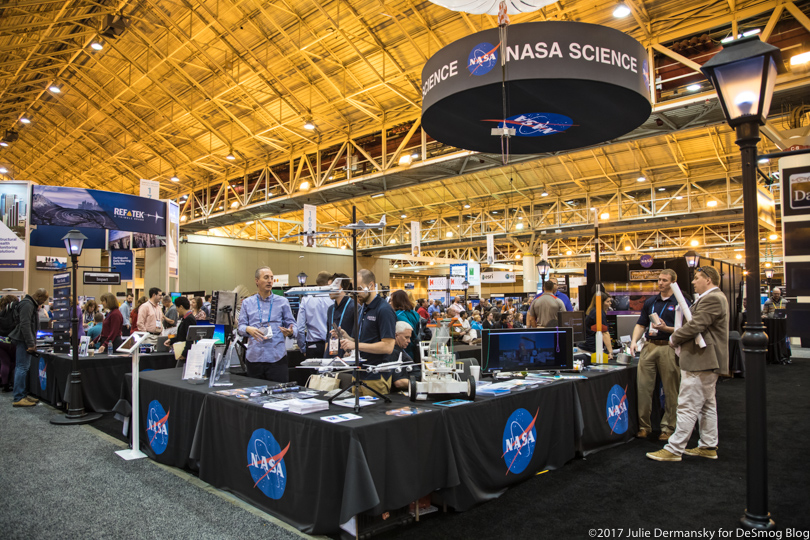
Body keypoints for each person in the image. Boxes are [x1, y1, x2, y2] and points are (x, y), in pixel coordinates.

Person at [647, 266, 729, 462]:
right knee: (706, 406)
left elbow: (695, 325)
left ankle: (675, 448)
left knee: (686, 405)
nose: (693, 282)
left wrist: (674, 338)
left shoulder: (713, 298)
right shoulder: (712, 298)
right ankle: (708, 445)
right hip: (704, 359)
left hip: (701, 359)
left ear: (708, 280)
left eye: (697, 278)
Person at [630, 269, 685, 441]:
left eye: (665, 280)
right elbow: (641, 324)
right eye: (659, 280)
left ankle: (668, 427)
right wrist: (634, 341)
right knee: (643, 388)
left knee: (671, 389)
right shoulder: (651, 302)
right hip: (649, 346)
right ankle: (644, 426)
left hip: (669, 346)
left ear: (673, 282)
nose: (660, 283)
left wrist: (666, 329)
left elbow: (687, 329)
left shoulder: (681, 303)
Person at [339, 269, 396, 396]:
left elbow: (388, 347)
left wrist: (356, 345)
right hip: (358, 374)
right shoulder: (362, 309)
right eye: (355, 289)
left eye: (359, 288)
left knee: (373, 414)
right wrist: (347, 338)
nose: (356, 293)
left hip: (376, 376)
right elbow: (364, 342)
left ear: (370, 286)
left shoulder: (384, 310)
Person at [238, 267, 296, 382]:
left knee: (279, 394)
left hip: (276, 358)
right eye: (266, 278)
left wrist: (291, 331)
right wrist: (248, 329)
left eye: (271, 278)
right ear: (257, 281)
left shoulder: (282, 302)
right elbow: (240, 328)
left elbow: (292, 324)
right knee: (254, 396)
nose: (270, 281)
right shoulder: (247, 303)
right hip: (254, 358)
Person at [9, 288, 49, 407]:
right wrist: (31, 343)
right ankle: (19, 397)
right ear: (39, 297)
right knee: (22, 368)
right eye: (44, 299)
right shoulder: (27, 304)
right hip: (23, 340)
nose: (44, 302)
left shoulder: (29, 303)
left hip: (24, 340)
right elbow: (25, 325)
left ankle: (22, 394)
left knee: (23, 367)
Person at [296, 271, 333, 358]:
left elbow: (300, 328)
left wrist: (303, 348)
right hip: (332, 344)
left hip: (313, 346)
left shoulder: (306, 299)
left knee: (313, 371)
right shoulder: (334, 299)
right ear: (329, 282)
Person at [326, 273, 355, 358]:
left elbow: (357, 337)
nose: (328, 290)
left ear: (339, 287)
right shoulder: (330, 309)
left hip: (347, 356)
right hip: (331, 354)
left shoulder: (354, 307)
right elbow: (327, 336)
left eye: (330, 286)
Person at [582, 292, 614, 360]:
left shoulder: (593, 311)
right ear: (601, 303)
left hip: (589, 346)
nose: (610, 303)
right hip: (591, 347)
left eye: (610, 301)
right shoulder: (599, 313)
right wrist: (610, 352)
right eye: (607, 301)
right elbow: (605, 333)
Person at [391, 290, 421, 362]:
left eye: (392, 300)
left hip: (404, 348)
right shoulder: (414, 313)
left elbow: (408, 328)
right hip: (414, 347)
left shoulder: (399, 315)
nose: (391, 302)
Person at [165, 296, 195, 362]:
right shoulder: (185, 318)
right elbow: (182, 335)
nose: (176, 309)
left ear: (181, 307)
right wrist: (171, 340)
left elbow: (189, 339)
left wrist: (184, 354)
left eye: (177, 307)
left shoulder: (189, 319)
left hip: (185, 355)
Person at [391, 321, 419, 391]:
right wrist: (423, 386)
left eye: (409, 338)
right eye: (406, 337)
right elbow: (399, 382)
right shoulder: (394, 352)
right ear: (395, 335)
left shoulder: (400, 349)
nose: (409, 341)